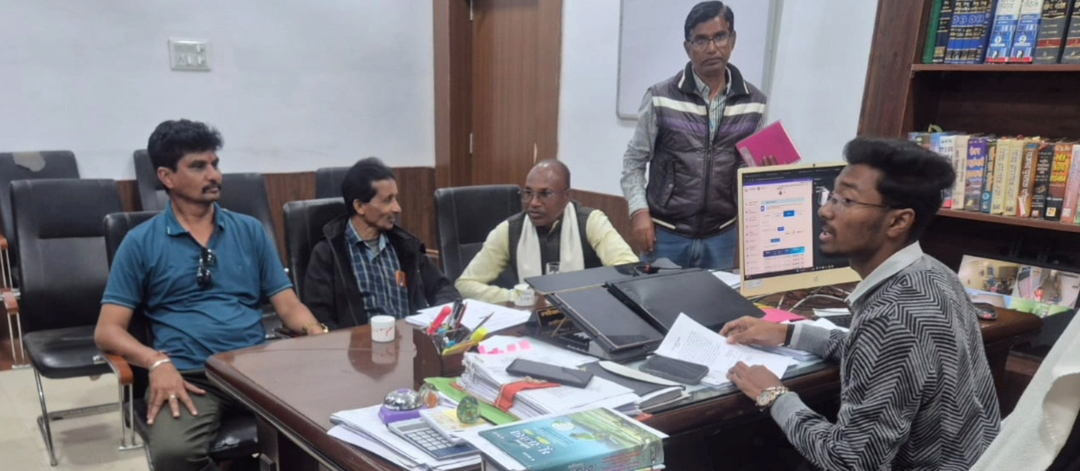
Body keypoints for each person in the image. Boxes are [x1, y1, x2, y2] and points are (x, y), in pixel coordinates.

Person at [720, 138, 1000, 470]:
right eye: (831, 197)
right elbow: (879, 356)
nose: (825, 211)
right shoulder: (934, 274)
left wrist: (774, 396)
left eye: (847, 201)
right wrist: (788, 334)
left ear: (898, 221)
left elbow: (850, 461)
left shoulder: (892, 317)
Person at [95, 119, 327, 471]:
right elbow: (107, 330)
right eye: (198, 166)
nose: (214, 175)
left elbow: (289, 305)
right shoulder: (140, 242)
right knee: (174, 454)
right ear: (167, 177)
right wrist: (156, 362)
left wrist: (317, 336)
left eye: (215, 164)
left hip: (255, 368)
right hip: (190, 374)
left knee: (327, 424)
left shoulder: (249, 230)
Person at [621, 1, 768, 270]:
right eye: (701, 40)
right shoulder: (660, 97)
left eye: (720, 36)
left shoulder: (754, 103)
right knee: (656, 298)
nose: (711, 48)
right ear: (687, 47)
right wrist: (638, 212)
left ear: (733, 40)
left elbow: (748, 168)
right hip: (665, 234)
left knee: (716, 299)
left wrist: (766, 172)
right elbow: (633, 161)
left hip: (722, 236)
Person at [303, 157, 459, 328]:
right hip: (357, 343)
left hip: (410, 339)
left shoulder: (405, 246)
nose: (397, 208)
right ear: (360, 206)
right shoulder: (328, 253)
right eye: (387, 200)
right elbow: (319, 317)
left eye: (396, 199)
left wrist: (437, 320)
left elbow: (443, 288)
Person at [456, 160, 638, 303]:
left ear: (566, 196)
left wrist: (587, 297)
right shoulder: (510, 230)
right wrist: (518, 297)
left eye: (545, 194)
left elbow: (630, 273)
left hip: (587, 319)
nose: (534, 202)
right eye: (528, 193)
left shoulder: (591, 222)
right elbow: (465, 284)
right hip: (529, 320)